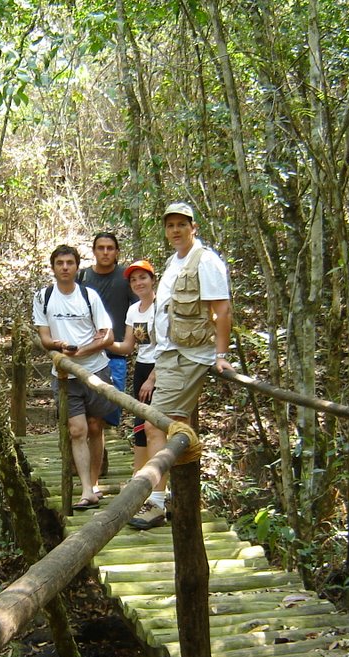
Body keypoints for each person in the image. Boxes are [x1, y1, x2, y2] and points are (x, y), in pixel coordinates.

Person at [137, 202, 234, 530]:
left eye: (181, 224)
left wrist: (221, 355)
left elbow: (222, 309)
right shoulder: (173, 261)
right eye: (170, 225)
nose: (175, 230)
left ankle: (156, 501)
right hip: (169, 355)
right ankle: (170, 497)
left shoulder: (206, 262)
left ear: (193, 226)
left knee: (156, 425)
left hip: (189, 356)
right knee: (170, 425)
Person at [33, 244, 115, 510]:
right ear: (53, 267)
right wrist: (58, 346)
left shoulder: (89, 296)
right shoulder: (43, 297)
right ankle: (87, 490)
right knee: (77, 430)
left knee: (94, 427)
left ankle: (93, 482)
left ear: (77, 267)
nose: (65, 267)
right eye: (60, 263)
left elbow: (107, 335)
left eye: (70, 263)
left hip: (95, 369)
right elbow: (44, 337)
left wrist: (83, 350)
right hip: (65, 375)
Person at [78, 233, 136, 428]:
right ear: (93, 251)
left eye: (110, 248)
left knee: (106, 418)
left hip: (114, 356)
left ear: (117, 252)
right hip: (85, 356)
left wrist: (131, 341)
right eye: (100, 248)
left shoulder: (127, 278)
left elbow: (138, 311)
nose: (105, 252)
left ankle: (103, 457)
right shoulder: (82, 277)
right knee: (84, 418)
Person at [108, 259, 158, 478]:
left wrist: (153, 378)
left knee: (154, 425)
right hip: (141, 367)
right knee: (140, 422)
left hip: (161, 370)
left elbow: (168, 347)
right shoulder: (133, 310)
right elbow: (128, 346)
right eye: (134, 279)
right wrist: (104, 342)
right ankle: (139, 476)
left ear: (152, 280)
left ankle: (156, 482)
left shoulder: (163, 306)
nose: (139, 283)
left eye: (143, 277)